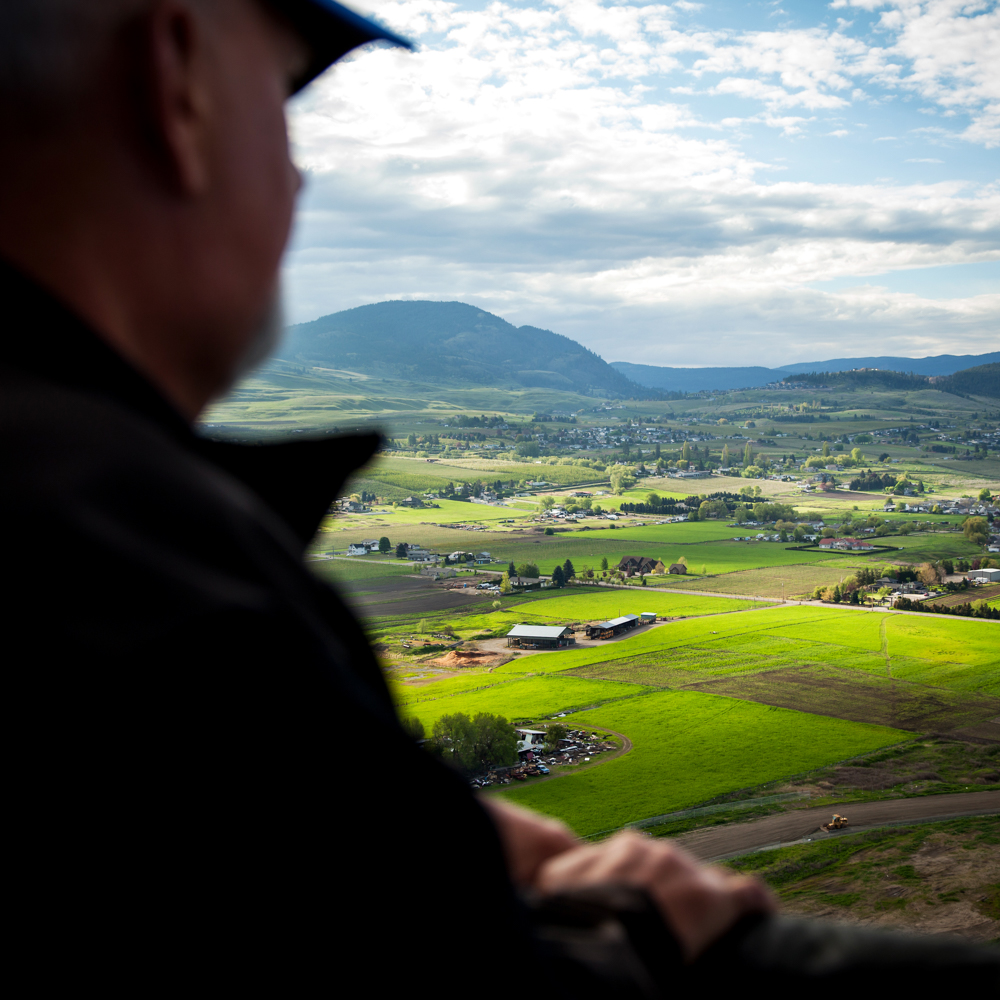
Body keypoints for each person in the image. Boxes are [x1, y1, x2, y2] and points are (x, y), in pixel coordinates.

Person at [2, 2, 996, 994]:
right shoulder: (130, 566)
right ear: (177, 80)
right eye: (283, 101)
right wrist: (644, 934)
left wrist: (392, 836)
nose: (301, 176)